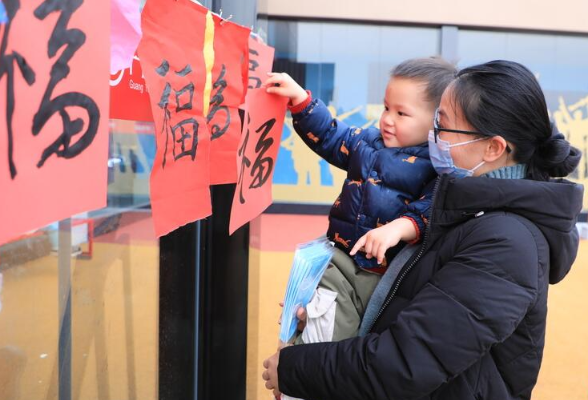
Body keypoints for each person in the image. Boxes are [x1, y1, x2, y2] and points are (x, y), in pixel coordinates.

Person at [262, 60, 583, 400]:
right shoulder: (460, 208)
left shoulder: (507, 243)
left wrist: (296, 369)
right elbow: (396, 302)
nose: (433, 141)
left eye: (442, 128)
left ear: (494, 148)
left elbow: (404, 362)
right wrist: (327, 315)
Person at [265, 58, 456, 342]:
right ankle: (291, 368)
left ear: (437, 122)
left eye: (402, 113)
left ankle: (300, 372)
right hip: (339, 259)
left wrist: (399, 227)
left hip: (384, 276)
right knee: (315, 322)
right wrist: (301, 102)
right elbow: (330, 134)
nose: (388, 119)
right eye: (387, 107)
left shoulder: (437, 166)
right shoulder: (367, 142)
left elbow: (429, 211)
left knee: (343, 336)